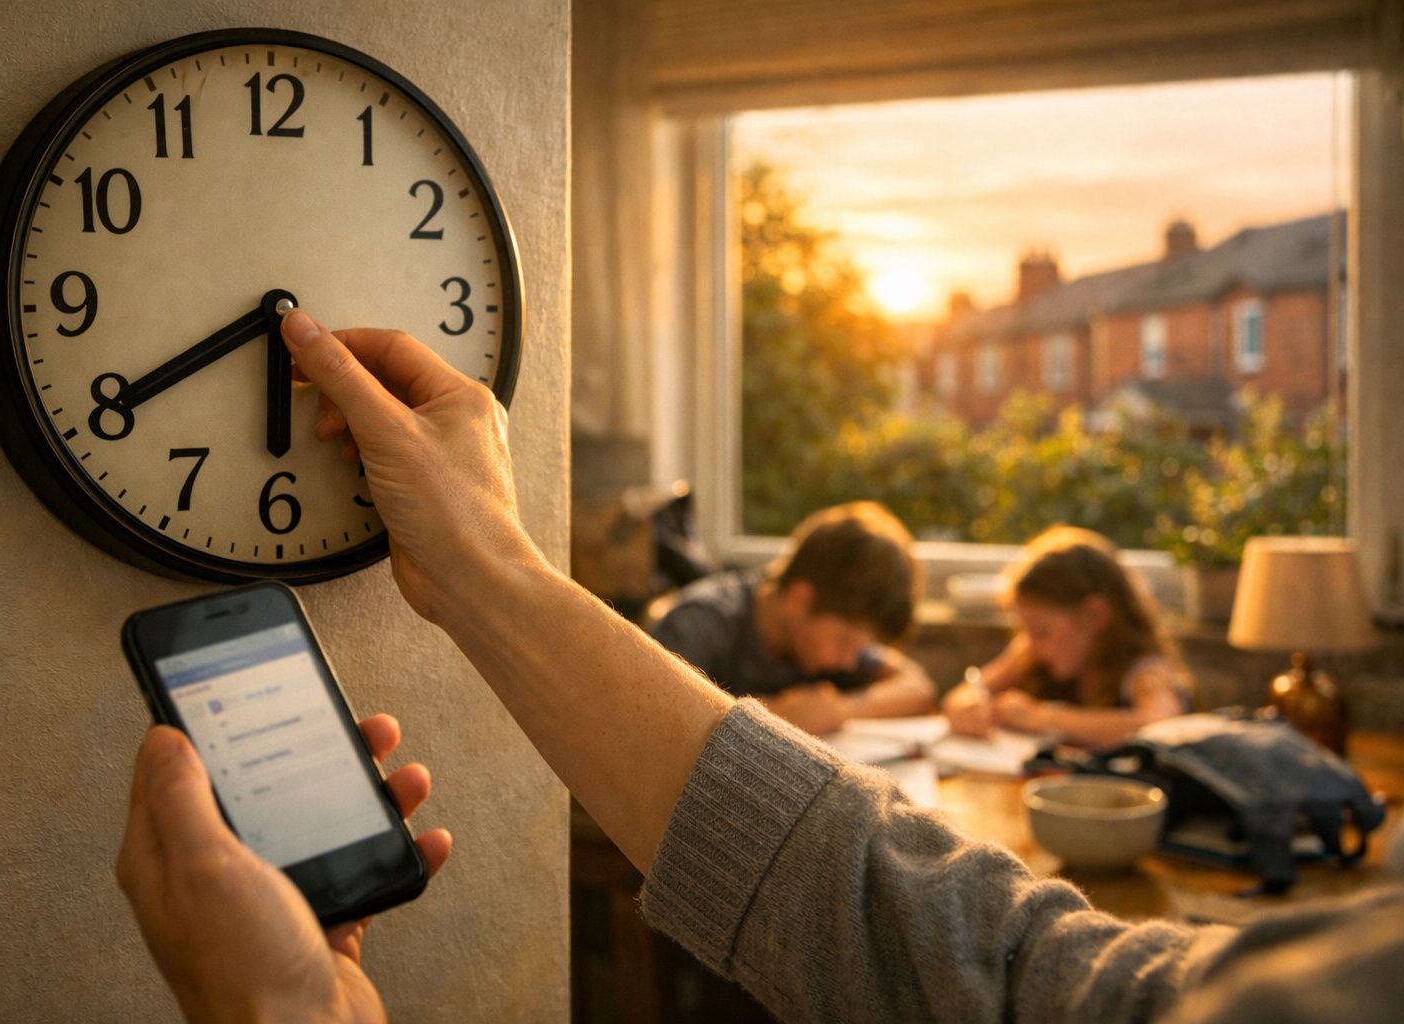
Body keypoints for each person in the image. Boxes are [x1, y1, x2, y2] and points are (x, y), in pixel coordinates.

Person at [117, 310, 1404, 1024]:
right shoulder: (712, 615)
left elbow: (996, 968)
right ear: (790, 597)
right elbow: (1011, 976)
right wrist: (477, 567)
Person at [649, 502, 936, 735]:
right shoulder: (701, 624)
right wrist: (777, 714)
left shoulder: (824, 633)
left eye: (859, 648)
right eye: (845, 641)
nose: (851, 660)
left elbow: (918, 686)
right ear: (800, 598)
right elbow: (653, 721)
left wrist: (843, 709)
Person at [942, 525, 1193, 747]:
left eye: (1041, 631)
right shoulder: (1033, 650)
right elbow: (969, 690)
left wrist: (1043, 718)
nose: (1029, 642)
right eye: (1024, 630)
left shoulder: (1145, 670)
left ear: (1094, 616)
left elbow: (1161, 726)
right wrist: (968, 704)